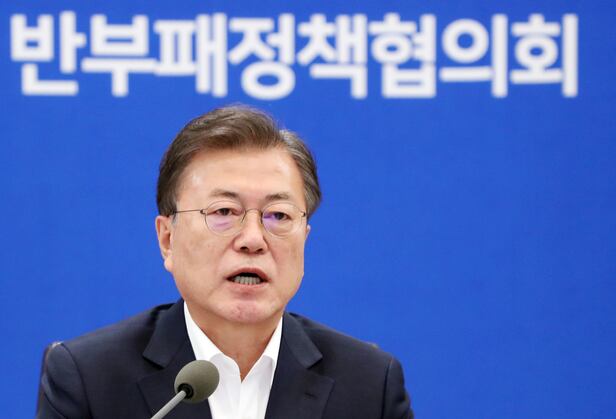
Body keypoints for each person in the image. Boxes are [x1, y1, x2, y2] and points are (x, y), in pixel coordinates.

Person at [36, 105, 414, 419]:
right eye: (223, 212)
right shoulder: (89, 379)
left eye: (278, 215)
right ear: (167, 240)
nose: (253, 239)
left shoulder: (368, 385)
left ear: (305, 237)